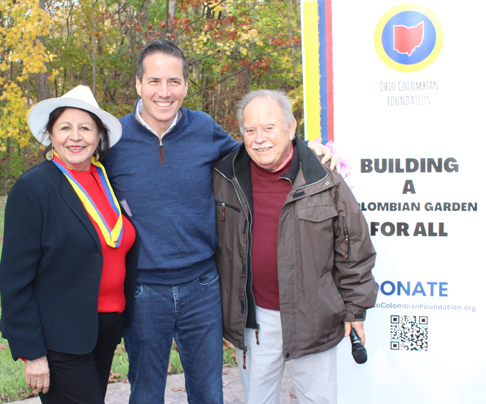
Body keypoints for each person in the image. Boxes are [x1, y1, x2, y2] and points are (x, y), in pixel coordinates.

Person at [104, 39, 335, 404]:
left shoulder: (203, 128)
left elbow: (258, 150)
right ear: (137, 84)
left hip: (202, 286)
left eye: (174, 81)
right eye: (154, 81)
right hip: (144, 290)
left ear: (185, 85)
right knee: (146, 392)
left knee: (209, 393)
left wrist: (307, 149)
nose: (164, 92)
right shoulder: (113, 140)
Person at [212, 90, 378, 404]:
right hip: (255, 319)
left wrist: (355, 308)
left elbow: (353, 246)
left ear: (291, 128)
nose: (259, 138)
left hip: (313, 316)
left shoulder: (324, 180)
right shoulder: (223, 176)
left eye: (269, 127)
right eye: (250, 130)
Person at [0, 85, 139, 403]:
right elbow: (14, 279)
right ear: (51, 134)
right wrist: (31, 353)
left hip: (105, 327)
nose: (75, 137)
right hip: (60, 334)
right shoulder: (33, 188)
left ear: (98, 136)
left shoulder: (106, 181)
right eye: (65, 127)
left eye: (85, 128)